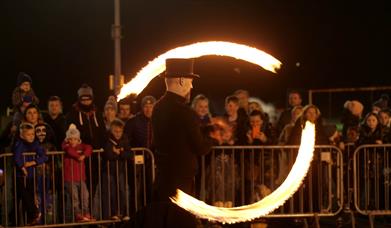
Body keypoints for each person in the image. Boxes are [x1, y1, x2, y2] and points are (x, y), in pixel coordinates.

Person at [143, 58, 221, 228]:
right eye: (190, 81)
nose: (191, 87)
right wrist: (214, 139)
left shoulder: (157, 108)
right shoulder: (186, 112)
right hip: (181, 181)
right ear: (181, 80)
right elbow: (200, 147)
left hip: (163, 178)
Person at [13, 122, 47, 225]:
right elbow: (17, 157)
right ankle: (34, 214)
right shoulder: (19, 144)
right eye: (28, 134)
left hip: (32, 176)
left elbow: (44, 156)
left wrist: (33, 162)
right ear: (22, 135)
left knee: (31, 196)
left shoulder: (35, 144)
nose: (31, 136)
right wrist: (22, 167)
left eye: (32, 134)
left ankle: (32, 218)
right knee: (25, 197)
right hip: (21, 176)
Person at [62, 124, 95, 222]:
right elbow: (69, 150)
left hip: (81, 178)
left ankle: (86, 213)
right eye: (70, 139)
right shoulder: (66, 146)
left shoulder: (82, 146)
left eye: (75, 139)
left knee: (85, 196)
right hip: (69, 178)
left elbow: (89, 147)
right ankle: (77, 214)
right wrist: (78, 156)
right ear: (68, 139)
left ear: (78, 139)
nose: (73, 141)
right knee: (74, 197)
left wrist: (84, 155)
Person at [102, 119, 131, 221]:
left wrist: (119, 153)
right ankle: (113, 213)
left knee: (122, 191)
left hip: (121, 171)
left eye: (120, 131)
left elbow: (129, 154)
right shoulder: (107, 140)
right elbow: (108, 155)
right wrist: (117, 153)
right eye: (115, 131)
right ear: (111, 131)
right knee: (112, 192)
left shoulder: (125, 140)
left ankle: (124, 212)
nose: (118, 133)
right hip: (109, 171)